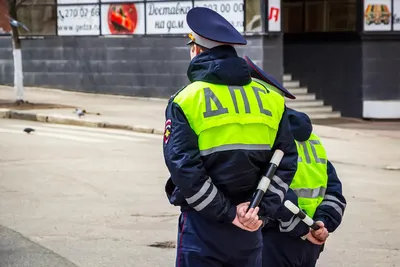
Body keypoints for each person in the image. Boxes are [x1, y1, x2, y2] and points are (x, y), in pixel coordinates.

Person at [163, 7, 298, 267]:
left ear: (197, 50)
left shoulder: (186, 99)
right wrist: (257, 209)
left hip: (204, 227)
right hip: (251, 225)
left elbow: (183, 167)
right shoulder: (271, 98)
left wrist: (227, 213)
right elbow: (287, 160)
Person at [244, 56, 347, 267]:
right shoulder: (312, 139)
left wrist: (300, 229)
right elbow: (334, 191)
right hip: (311, 242)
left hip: (276, 239)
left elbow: (271, 192)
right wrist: (322, 223)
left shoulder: (269, 136)